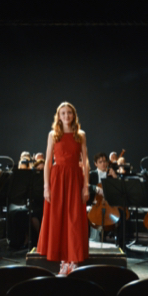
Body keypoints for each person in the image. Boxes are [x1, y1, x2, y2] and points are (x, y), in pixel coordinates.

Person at [37, 102, 90, 275]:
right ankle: (63, 263)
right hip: (57, 179)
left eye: (69, 113)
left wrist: (86, 186)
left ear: (73, 115)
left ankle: (73, 262)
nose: (66, 116)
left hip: (75, 178)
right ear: (58, 116)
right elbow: (47, 162)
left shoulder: (80, 134)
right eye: (63, 113)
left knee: (74, 219)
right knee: (58, 219)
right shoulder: (53, 134)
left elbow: (85, 161)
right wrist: (46, 187)